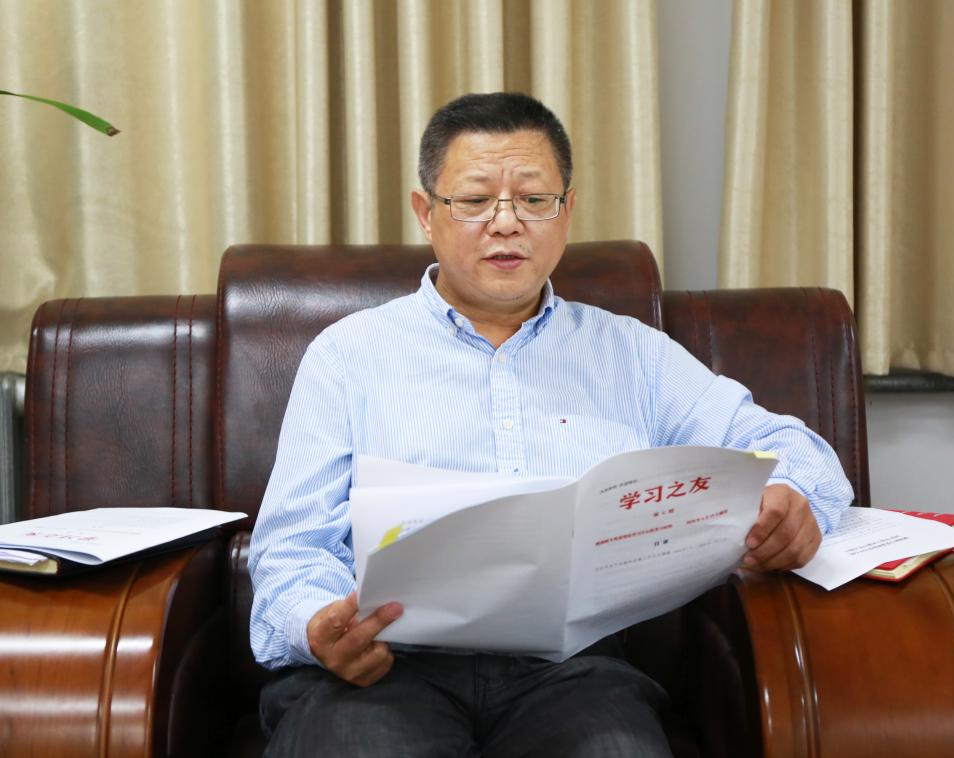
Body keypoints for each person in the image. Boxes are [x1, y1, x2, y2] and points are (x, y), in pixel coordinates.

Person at [249, 92, 853, 757]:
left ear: (567, 210)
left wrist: (794, 498)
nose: (507, 224)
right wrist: (319, 627)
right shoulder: (348, 355)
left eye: (534, 199)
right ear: (426, 213)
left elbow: (787, 444)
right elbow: (292, 546)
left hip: (571, 673)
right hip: (385, 667)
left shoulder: (633, 355)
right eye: (474, 200)